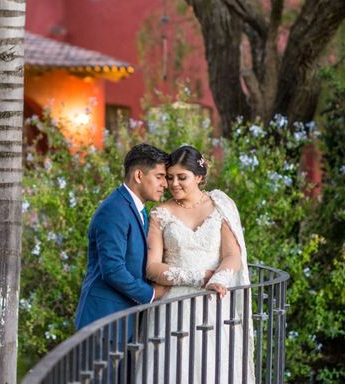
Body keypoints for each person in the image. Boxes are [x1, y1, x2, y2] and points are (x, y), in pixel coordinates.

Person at [143, 144, 255, 383]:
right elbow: (152, 266)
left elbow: (232, 254)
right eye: (170, 177)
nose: (173, 184)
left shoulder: (220, 207)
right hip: (174, 306)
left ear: (199, 177)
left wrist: (218, 279)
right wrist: (197, 277)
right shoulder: (160, 213)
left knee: (213, 369)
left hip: (214, 302)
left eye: (182, 177)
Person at [75, 143, 169, 330]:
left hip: (125, 320)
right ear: (139, 175)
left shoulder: (138, 209)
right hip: (103, 321)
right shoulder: (114, 210)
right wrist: (151, 294)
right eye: (160, 177)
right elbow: (113, 270)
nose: (165, 184)